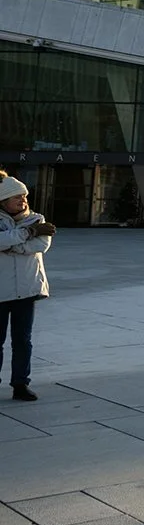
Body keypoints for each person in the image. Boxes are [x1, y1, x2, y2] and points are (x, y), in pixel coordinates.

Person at [0, 172, 55, 401]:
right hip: (1, 292)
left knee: (23, 339)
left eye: (24, 196)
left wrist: (13, 245)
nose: (23, 201)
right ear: (3, 201)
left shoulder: (37, 218)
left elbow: (42, 244)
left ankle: (20, 383)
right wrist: (27, 234)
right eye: (17, 197)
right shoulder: (32, 226)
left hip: (27, 289)